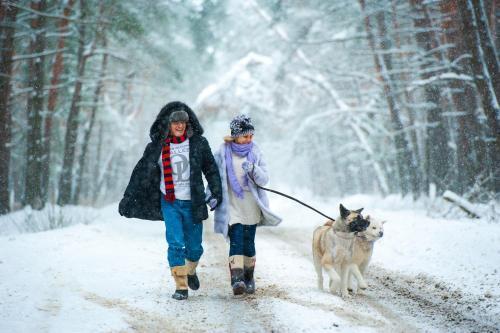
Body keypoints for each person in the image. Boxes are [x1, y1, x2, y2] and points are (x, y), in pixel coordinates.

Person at [119, 101, 222, 300]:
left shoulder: (198, 143)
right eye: (175, 122)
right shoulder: (157, 147)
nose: (179, 125)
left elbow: (210, 168)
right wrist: (128, 198)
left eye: (183, 121)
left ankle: (190, 270)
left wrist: (216, 192)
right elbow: (140, 173)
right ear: (168, 124)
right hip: (170, 202)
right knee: (175, 243)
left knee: (194, 247)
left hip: (193, 202)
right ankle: (181, 286)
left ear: (188, 122)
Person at [207, 114, 282, 295]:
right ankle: (237, 280)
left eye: (251, 136)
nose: (249, 139)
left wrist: (254, 169)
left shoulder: (255, 151)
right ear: (235, 135)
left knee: (249, 242)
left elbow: (264, 179)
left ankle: (249, 277)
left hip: (251, 204)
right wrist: (211, 195)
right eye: (245, 136)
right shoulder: (222, 152)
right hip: (232, 204)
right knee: (236, 239)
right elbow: (214, 178)